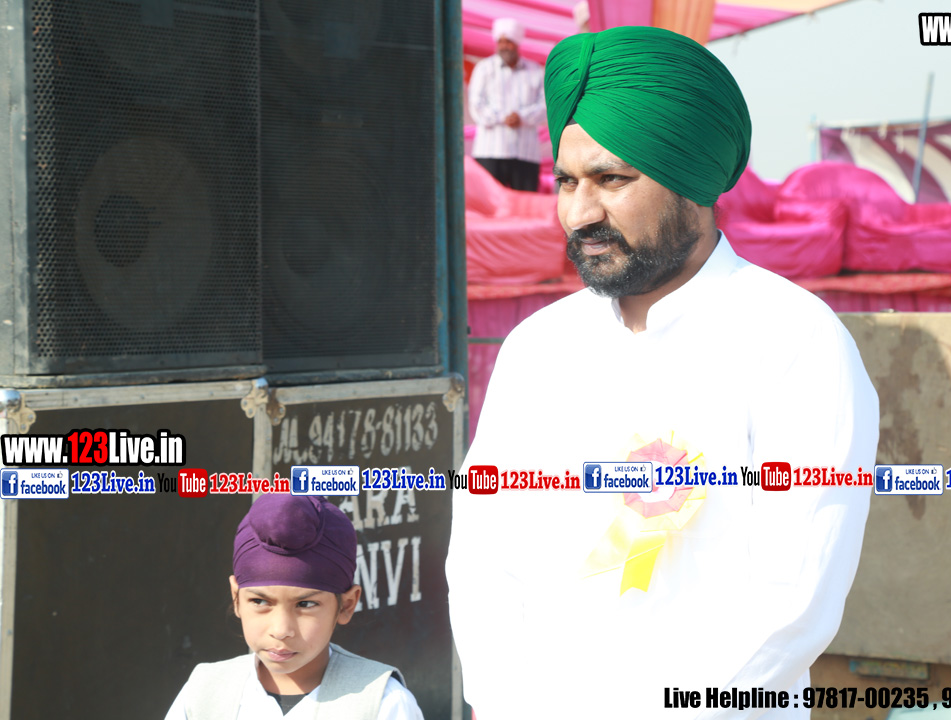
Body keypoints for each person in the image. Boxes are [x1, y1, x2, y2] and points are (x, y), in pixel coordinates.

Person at [446, 26, 879, 719]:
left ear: (692, 181)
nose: (580, 213)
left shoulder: (794, 341)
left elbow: (796, 599)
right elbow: (482, 561)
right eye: (566, 181)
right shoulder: (536, 349)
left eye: (612, 180)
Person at [165, 494, 423, 720]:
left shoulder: (381, 703)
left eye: (305, 604)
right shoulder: (204, 693)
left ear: (346, 605)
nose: (281, 630)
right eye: (260, 601)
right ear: (236, 598)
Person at [468, 18, 546, 192]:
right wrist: (503, 118)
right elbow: (476, 104)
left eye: (508, 42)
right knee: (489, 203)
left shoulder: (535, 70)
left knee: (525, 204)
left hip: (525, 153)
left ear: (517, 44)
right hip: (490, 151)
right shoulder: (484, 68)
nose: (504, 46)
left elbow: (545, 105)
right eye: (500, 42)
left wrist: (521, 117)